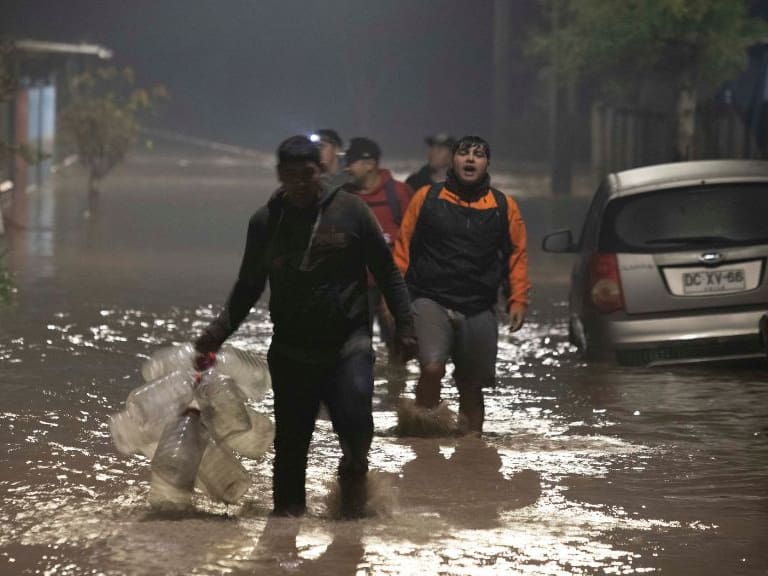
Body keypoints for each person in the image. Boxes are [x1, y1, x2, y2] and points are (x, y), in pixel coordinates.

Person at [194, 135, 415, 518]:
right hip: (292, 350)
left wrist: (406, 327)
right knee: (292, 449)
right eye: (291, 175)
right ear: (280, 174)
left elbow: (387, 273)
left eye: (307, 174)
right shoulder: (265, 223)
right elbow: (249, 286)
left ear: (321, 171)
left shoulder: (352, 212)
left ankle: (353, 480)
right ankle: (285, 536)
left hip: (348, 344)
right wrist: (217, 333)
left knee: (356, 424)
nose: (299, 183)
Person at [393, 135, 530, 435]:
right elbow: (402, 250)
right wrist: (394, 303)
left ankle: (472, 452)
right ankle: (422, 436)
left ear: (487, 163)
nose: (470, 159)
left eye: (478, 154)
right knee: (431, 367)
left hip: (479, 306)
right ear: (454, 161)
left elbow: (517, 255)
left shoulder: (504, 206)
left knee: (471, 385)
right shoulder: (427, 198)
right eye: (464, 153)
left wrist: (518, 299)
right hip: (430, 299)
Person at [344, 137, 414, 365]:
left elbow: (415, 240)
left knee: (400, 349)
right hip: (355, 287)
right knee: (354, 347)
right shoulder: (344, 196)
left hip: (392, 285)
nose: (348, 167)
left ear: (369, 164)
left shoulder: (400, 194)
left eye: (352, 161)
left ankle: (395, 392)